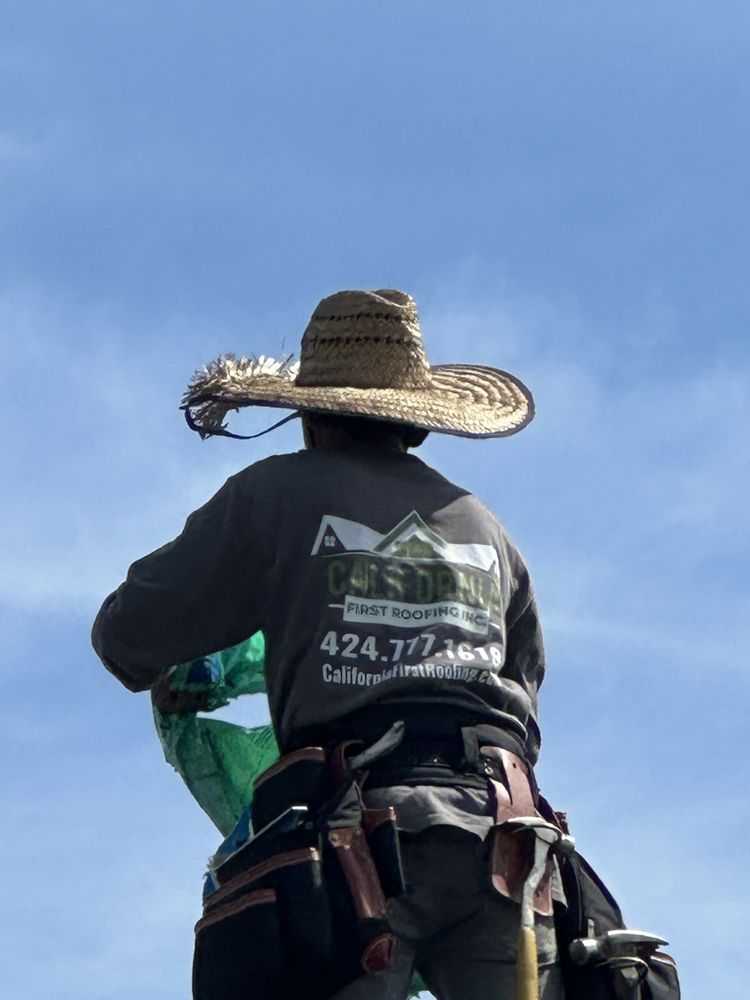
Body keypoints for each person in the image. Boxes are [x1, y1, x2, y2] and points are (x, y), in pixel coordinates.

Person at [92, 288, 564, 1000]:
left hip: (355, 838)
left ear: (309, 415)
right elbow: (524, 689)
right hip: (506, 845)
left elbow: (129, 632)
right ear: (417, 424)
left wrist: (197, 667)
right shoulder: (485, 527)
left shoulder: (276, 494)